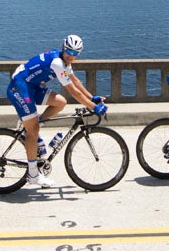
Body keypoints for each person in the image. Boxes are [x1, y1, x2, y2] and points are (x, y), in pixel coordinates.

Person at [7, 35, 104, 188]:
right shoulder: (58, 63)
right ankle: (32, 174)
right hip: (20, 88)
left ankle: (31, 126)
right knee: (33, 132)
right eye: (69, 51)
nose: (71, 56)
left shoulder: (65, 61)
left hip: (32, 86)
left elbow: (75, 81)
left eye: (75, 53)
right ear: (63, 47)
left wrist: (92, 97)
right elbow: (73, 91)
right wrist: (93, 107)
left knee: (60, 102)